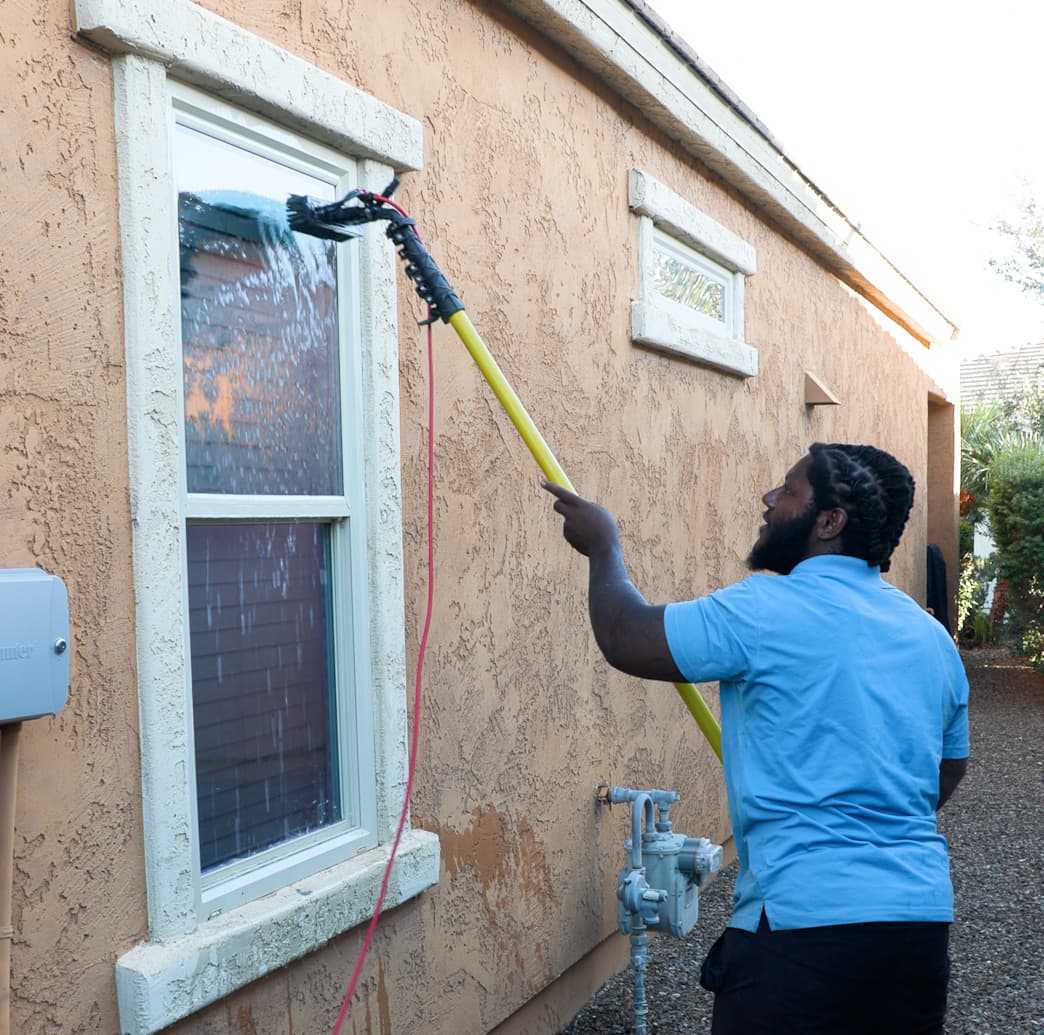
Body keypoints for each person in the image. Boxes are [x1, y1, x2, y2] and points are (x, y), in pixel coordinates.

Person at [543, 442, 969, 1035]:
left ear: (829, 521)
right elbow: (946, 769)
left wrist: (603, 546)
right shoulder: (931, 638)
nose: (769, 499)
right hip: (916, 931)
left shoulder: (764, 609)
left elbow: (625, 634)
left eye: (789, 490)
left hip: (801, 934)